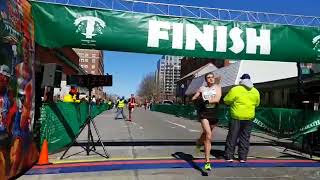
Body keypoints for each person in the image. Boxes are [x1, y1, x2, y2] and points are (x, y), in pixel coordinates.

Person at [223, 73, 260, 163]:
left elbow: (226, 100)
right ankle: (242, 157)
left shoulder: (235, 89)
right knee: (245, 138)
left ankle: (229, 156)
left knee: (232, 137)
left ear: (242, 80)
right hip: (249, 118)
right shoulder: (255, 91)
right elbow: (257, 104)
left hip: (237, 117)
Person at [191, 72, 221, 171]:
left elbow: (217, 99)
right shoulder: (202, 88)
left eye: (212, 77)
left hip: (214, 113)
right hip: (204, 113)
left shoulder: (217, 87)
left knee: (205, 133)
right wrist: (197, 99)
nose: (211, 79)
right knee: (208, 134)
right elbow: (193, 98)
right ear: (206, 79)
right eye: (208, 77)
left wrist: (207, 101)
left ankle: (199, 143)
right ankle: (207, 162)